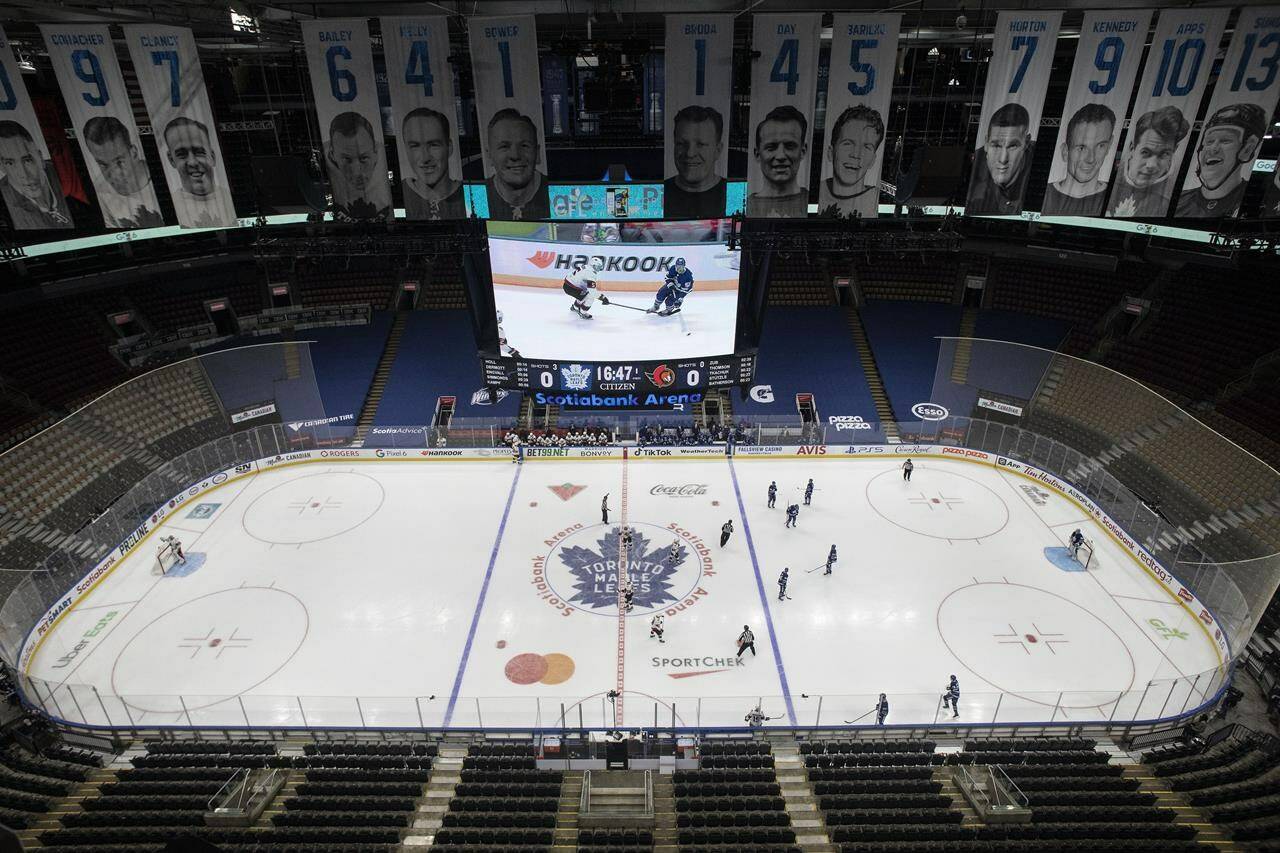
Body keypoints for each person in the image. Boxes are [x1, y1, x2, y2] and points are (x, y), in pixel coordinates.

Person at [1176, 103, 1267, 218]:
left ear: (1247, 149)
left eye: (1225, 140)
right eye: (1209, 141)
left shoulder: (1256, 200)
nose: (1213, 149)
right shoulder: (1179, 200)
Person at [1106, 106, 1190, 218]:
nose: (1152, 165)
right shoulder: (1106, 174)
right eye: (1146, 152)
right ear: (1132, 148)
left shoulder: (1177, 197)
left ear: (1174, 150)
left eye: (1164, 154)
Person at [82, 115, 162, 228]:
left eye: (119, 162)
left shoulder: (168, 177)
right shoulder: (101, 198)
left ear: (134, 153)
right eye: (103, 164)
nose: (114, 174)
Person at [1042, 103, 1116, 216]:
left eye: (1100, 146)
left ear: (1109, 145)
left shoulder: (1115, 199)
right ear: (1065, 152)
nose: (1090, 159)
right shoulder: (1046, 195)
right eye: (1081, 148)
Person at [161, 116, 235, 228]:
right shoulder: (168, 209)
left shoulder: (231, 199)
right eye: (182, 154)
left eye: (199, 152)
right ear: (171, 160)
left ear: (212, 157)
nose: (192, 162)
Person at [0, 121, 72, 229]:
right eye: (10, 163)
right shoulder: (4, 200)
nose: (24, 174)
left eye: (28, 160)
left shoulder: (65, 173)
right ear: (2, 167)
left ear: (40, 157)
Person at [967, 103, 1034, 216]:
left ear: (1026, 143)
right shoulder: (975, 165)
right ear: (986, 143)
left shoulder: (1033, 164)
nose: (1003, 159)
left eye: (1013, 146)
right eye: (996, 145)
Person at [483, 108, 549, 220]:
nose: (515, 155)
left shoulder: (557, 191)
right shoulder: (478, 195)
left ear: (537, 153)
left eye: (524, 146)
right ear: (490, 155)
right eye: (504, 146)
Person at [324, 111, 391, 221]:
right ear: (332, 155)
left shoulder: (385, 157)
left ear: (375, 152)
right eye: (346, 160)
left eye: (363, 158)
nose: (357, 172)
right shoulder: (325, 157)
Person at [820, 104, 884, 218]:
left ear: (873, 160)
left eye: (866, 147)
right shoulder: (816, 192)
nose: (855, 155)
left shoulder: (878, 198)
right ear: (831, 152)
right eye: (848, 143)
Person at [664, 105, 728, 218]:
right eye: (682, 144)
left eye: (701, 144)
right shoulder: (659, 193)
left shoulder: (733, 195)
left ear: (718, 150)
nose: (690, 153)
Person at [401, 107, 465, 219]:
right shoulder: (398, 193)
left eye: (434, 145)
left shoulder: (474, 193)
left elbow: (485, 227)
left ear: (449, 147)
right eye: (415, 146)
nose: (425, 158)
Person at [746, 105, 809, 217]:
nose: (780, 156)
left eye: (790, 146)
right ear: (757, 154)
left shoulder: (812, 203)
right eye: (771, 147)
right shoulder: (746, 207)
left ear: (803, 151)